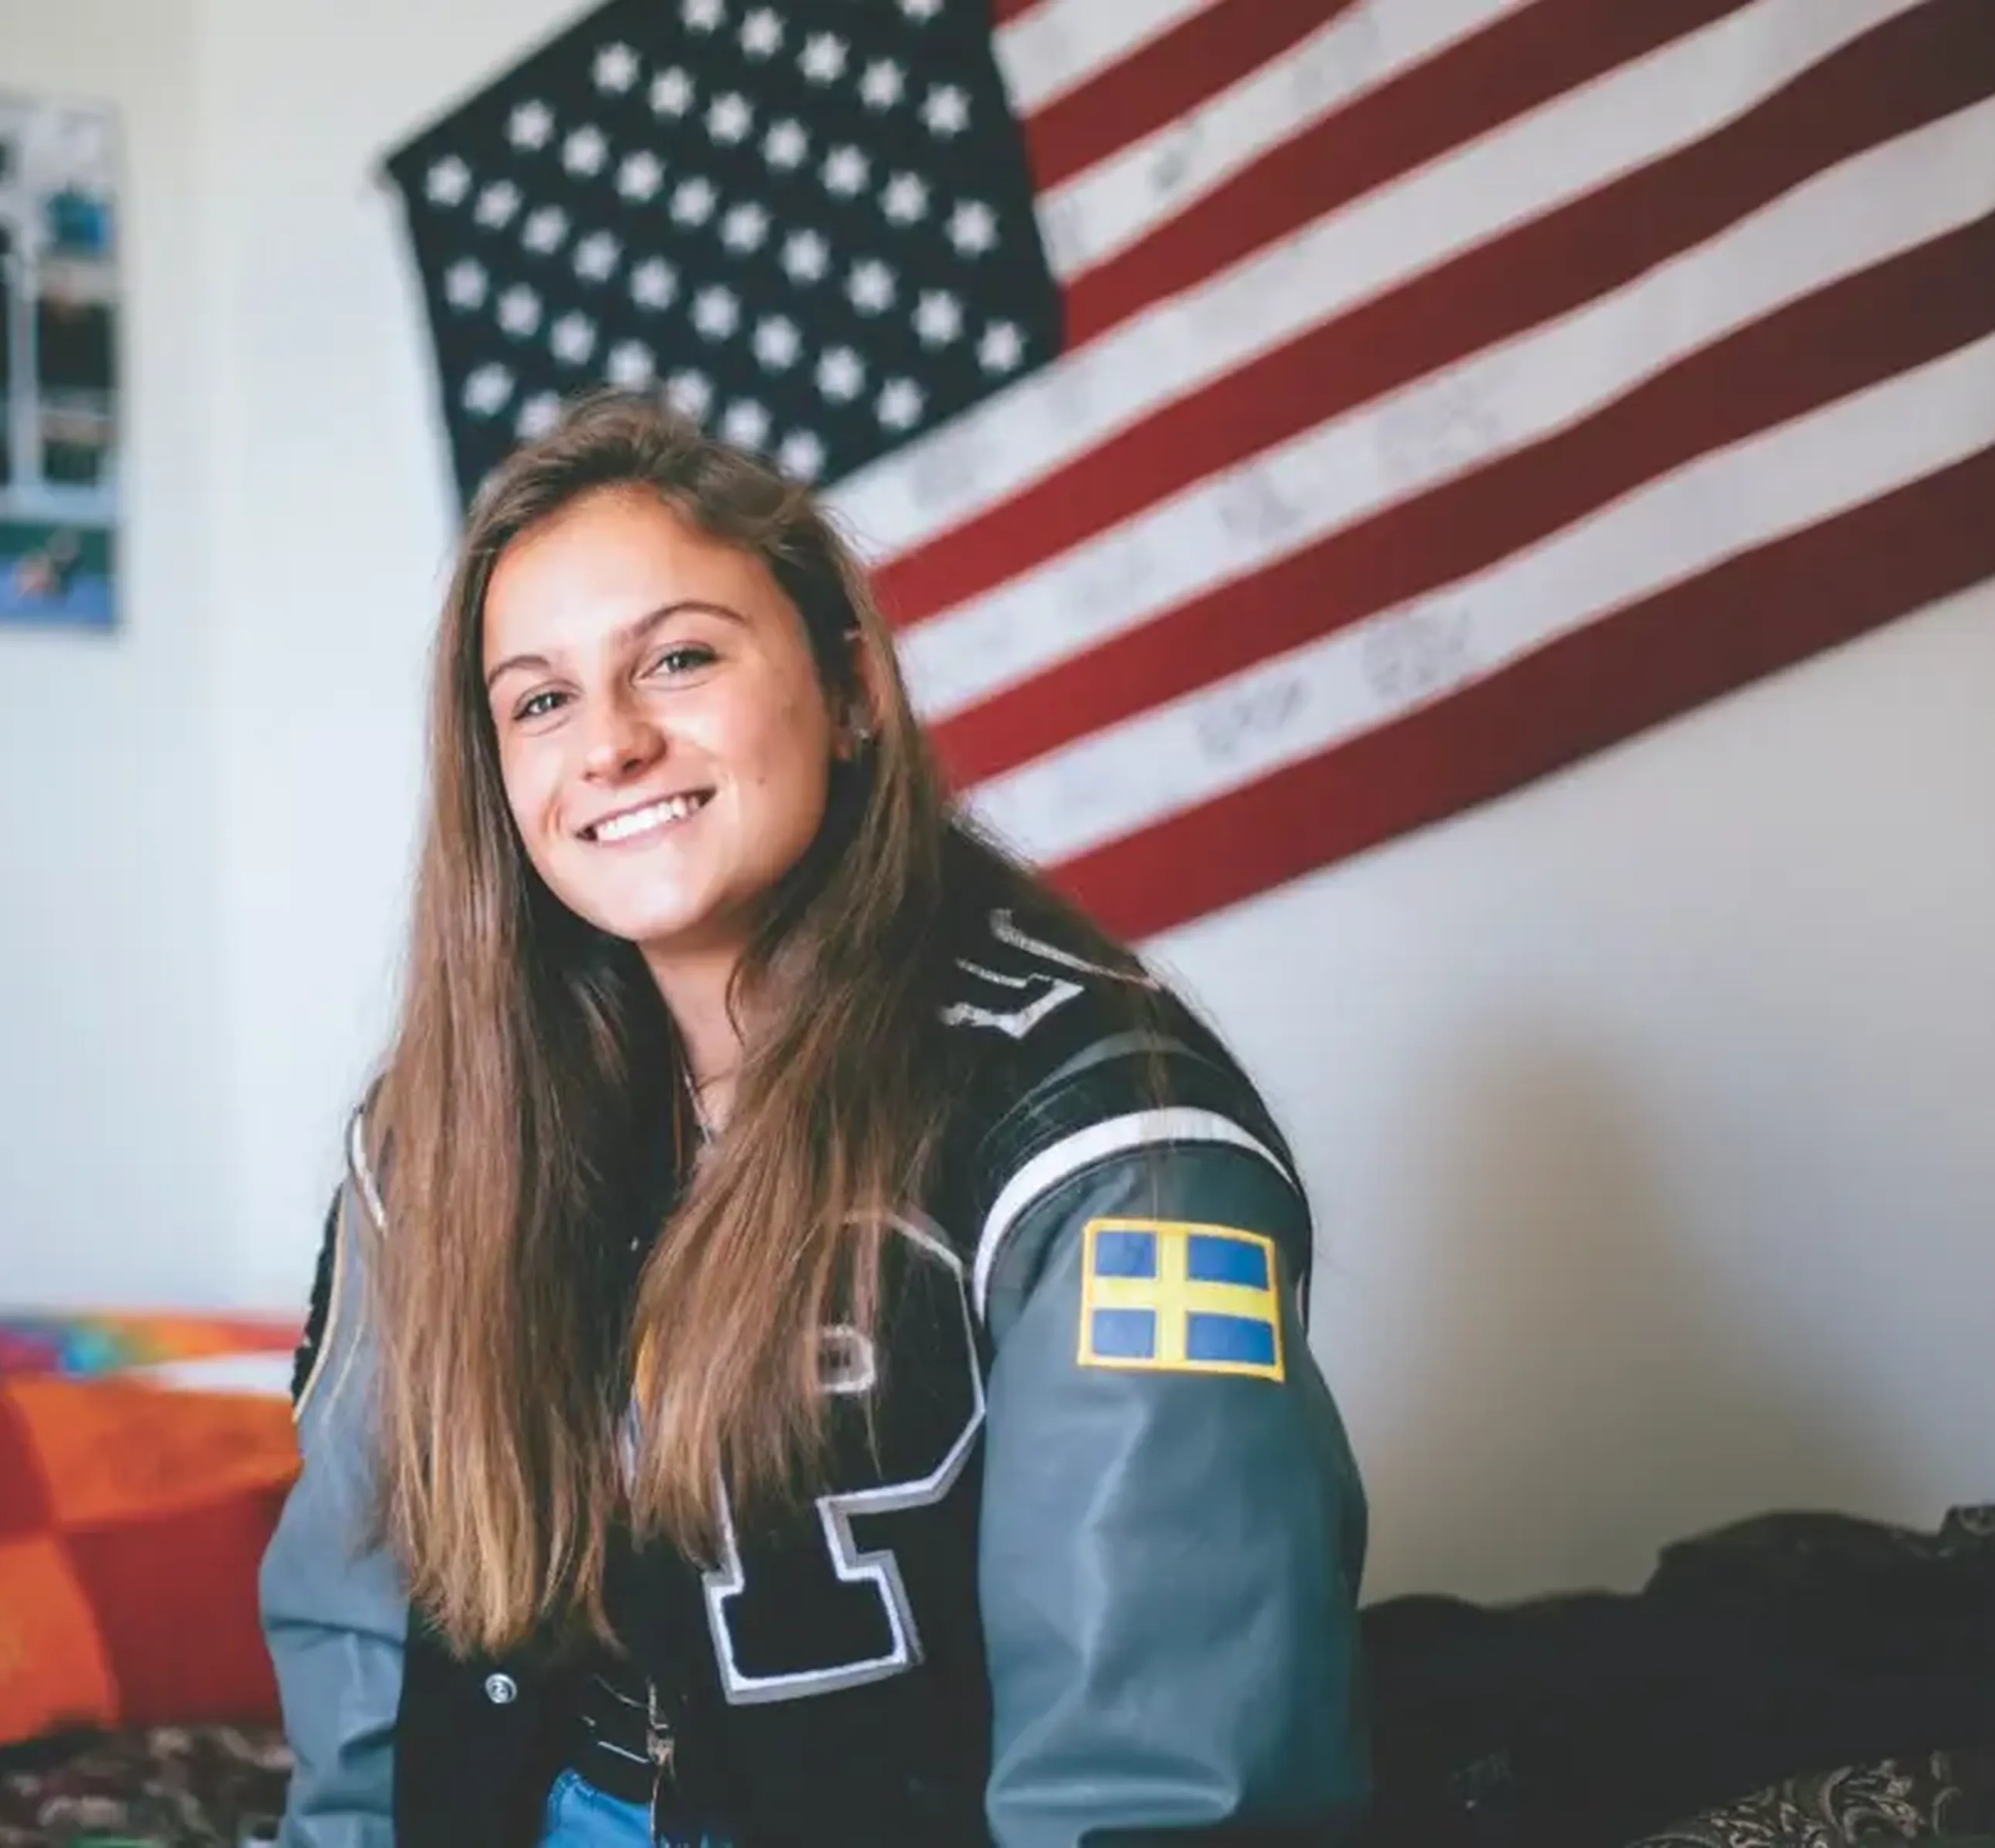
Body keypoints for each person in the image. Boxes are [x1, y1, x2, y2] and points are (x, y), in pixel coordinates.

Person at [258, 392, 1372, 1848]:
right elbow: (358, 1656)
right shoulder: (432, 1141)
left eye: (678, 659)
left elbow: (1153, 1793)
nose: (610, 744)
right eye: (540, 701)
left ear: (850, 693)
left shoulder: (1109, 1144)